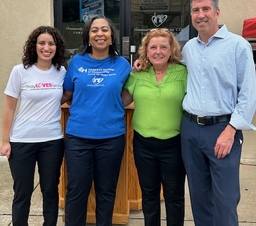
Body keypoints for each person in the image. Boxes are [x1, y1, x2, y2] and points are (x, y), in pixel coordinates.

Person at [180, 0, 256, 226]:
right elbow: (165, 64)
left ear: (217, 11)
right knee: (199, 196)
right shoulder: (188, 48)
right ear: (191, 15)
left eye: (205, 9)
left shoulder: (237, 46)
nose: (200, 14)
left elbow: (248, 93)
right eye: (195, 10)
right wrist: (142, 63)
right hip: (190, 129)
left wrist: (231, 130)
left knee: (225, 199)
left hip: (223, 129)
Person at [61, 15, 131, 226]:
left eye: (104, 30)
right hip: (78, 138)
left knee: (106, 192)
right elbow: (66, 94)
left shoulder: (122, 64)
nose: (99, 33)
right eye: (94, 30)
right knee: (76, 192)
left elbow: (129, 93)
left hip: (111, 138)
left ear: (111, 36)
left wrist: (114, 105)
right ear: (88, 37)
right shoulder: (76, 62)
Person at [0, 26, 66, 226]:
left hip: (52, 141)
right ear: (34, 46)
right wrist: (5, 141)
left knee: (50, 190)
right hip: (22, 141)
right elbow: (9, 108)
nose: (47, 48)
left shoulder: (61, 71)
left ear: (57, 47)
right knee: (23, 192)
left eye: (51, 43)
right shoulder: (20, 71)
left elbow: (68, 95)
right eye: (42, 43)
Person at [122, 29, 187, 226]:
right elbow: (122, 100)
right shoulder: (138, 74)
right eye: (153, 47)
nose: (158, 51)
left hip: (174, 145)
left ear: (171, 50)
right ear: (146, 51)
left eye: (163, 47)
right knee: (149, 196)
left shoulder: (183, 72)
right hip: (144, 145)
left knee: (174, 196)